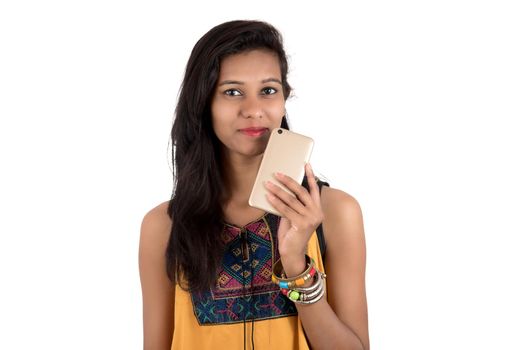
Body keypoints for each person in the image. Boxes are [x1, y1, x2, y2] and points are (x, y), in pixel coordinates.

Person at [139, 20, 369, 350]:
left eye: (268, 90)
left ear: (284, 98)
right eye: (232, 92)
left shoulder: (335, 213)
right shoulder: (164, 226)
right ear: (205, 103)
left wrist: (296, 265)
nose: (254, 110)